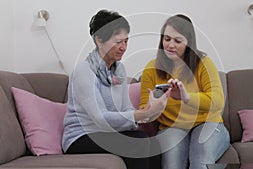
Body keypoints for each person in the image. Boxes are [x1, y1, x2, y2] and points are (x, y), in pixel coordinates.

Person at [62, 9, 171, 169]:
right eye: (118, 41)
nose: (124, 47)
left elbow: (125, 108)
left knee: (151, 144)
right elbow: (100, 118)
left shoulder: (119, 69)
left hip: (108, 133)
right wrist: (140, 115)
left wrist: (148, 112)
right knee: (138, 144)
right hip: (81, 136)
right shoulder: (84, 70)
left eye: (126, 41)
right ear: (99, 40)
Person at [139, 14, 230, 169]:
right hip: (172, 127)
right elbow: (143, 111)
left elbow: (218, 101)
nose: (170, 45)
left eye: (178, 40)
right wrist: (150, 109)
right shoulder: (151, 68)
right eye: (167, 39)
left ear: (189, 43)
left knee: (200, 158)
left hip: (207, 123)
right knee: (172, 164)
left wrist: (186, 97)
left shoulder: (204, 63)